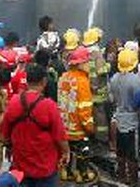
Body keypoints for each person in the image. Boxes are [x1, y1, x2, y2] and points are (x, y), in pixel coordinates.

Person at [0, 64, 69, 187]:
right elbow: (60, 136)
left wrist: (9, 147)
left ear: (27, 81)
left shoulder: (14, 102)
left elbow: (4, 132)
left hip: (20, 165)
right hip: (45, 167)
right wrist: (66, 153)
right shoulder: (49, 105)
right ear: (44, 81)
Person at [57, 46, 97, 183]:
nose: (89, 65)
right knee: (83, 151)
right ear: (79, 64)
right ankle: (83, 174)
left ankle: (66, 172)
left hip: (64, 127)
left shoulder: (63, 78)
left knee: (68, 151)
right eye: (87, 62)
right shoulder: (82, 81)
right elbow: (84, 108)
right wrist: (90, 126)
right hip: (78, 128)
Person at [108, 48, 140, 184]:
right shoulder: (136, 80)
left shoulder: (114, 78)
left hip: (118, 118)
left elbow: (111, 99)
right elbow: (139, 103)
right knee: (132, 155)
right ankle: (133, 180)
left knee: (120, 153)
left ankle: (121, 177)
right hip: (132, 121)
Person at [83, 27, 110, 144]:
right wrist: (108, 65)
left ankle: (90, 136)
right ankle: (102, 138)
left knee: (89, 114)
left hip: (87, 89)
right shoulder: (97, 53)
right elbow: (101, 71)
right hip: (98, 91)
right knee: (100, 116)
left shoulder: (83, 52)